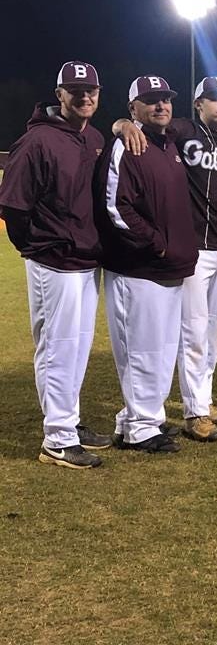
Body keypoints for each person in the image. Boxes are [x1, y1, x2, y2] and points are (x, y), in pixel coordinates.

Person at [113, 76, 217, 442]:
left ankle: (204, 397)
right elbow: (141, 125)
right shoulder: (182, 131)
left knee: (215, 332)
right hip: (193, 248)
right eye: (213, 98)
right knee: (193, 332)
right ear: (198, 104)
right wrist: (122, 124)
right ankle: (195, 411)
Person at [0, 61, 113, 468]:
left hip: (85, 259)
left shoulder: (94, 137)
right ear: (59, 94)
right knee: (57, 349)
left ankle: (68, 422)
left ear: (98, 94)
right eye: (75, 90)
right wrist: (38, 246)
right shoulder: (37, 141)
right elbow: (13, 206)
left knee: (77, 349)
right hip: (53, 261)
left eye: (90, 91)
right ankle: (58, 439)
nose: (84, 97)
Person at [94, 75, 199, 454]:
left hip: (168, 268)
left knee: (161, 349)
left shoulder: (167, 143)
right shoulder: (126, 145)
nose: (161, 105)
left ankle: (138, 419)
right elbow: (114, 206)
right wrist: (157, 245)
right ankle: (141, 427)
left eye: (165, 99)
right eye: (151, 100)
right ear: (132, 108)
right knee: (141, 349)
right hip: (137, 267)